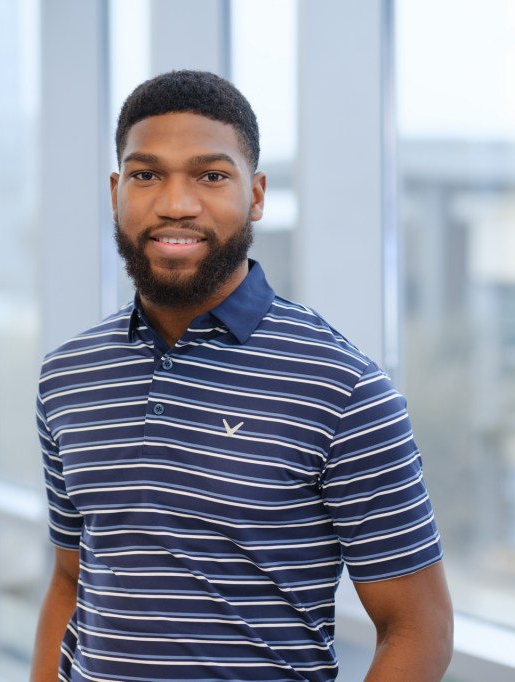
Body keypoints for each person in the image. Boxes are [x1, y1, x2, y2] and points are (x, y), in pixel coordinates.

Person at [31, 70, 453, 682]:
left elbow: (419, 629)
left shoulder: (341, 386)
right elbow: (71, 580)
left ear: (255, 195)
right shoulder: (69, 376)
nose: (176, 203)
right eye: (148, 175)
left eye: (210, 175)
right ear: (116, 190)